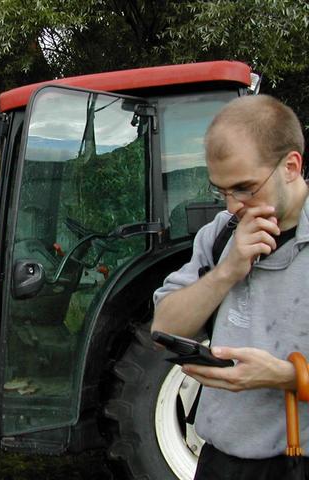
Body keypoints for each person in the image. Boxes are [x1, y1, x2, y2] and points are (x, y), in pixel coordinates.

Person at [152, 94, 309, 479]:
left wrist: (288, 378)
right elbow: (164, 328)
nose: (233, 205)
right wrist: (227, 270)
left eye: (245, 187)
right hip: (220, 462)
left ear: (291, 166)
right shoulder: (220, 235)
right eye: (220, 190)